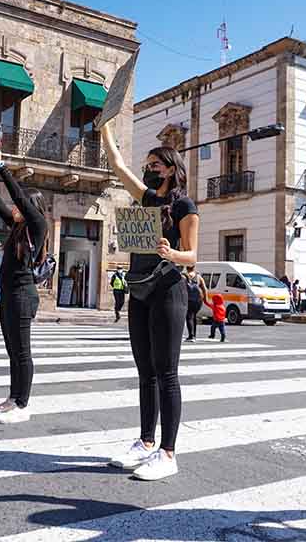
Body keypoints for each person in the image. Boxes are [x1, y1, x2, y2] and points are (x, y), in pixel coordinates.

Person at [101, 118, 198, 482]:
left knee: (166, 373)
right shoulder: (145, 198)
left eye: (155, 165)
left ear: (172, 170)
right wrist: (106, 129)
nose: (148, 169)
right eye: (147, 165)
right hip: (138, 289)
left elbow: (193, 255)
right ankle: (145, 442)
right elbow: (117, 165)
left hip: (168, 290)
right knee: (145, 371)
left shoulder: (186, 206)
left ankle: (168, 452)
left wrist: (172, 253)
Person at [0, 146, 48, 425]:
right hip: (9, 294)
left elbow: (18, 196)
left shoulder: (38, 225)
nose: (15, 208)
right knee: (11, 349)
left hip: (23, 295)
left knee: (22, 351)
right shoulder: (18, 226)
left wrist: (2, 166)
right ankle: (12, 397)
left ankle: (23, 404)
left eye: (20, 207)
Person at [184, 266, 207, 343]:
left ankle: (191, 336)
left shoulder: (184, 276)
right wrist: (205, 299)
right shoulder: (199, 277)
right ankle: (194, 335)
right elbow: (204, 289)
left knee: (189, 317)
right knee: (194, 317)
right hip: (198, 300)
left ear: (187, 268)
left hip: (189, 300)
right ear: (194, 268)